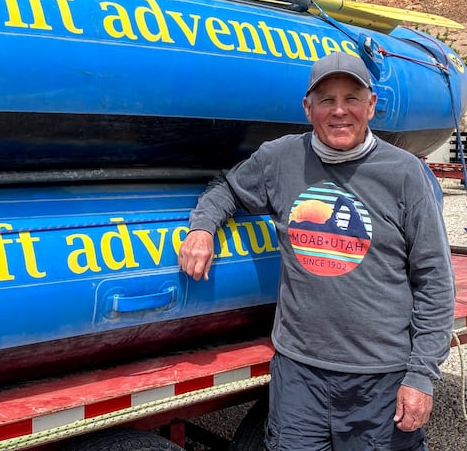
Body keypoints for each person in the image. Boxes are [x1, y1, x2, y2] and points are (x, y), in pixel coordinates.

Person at [178, 51, 455, 450]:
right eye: (326, 99)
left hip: (379, 378)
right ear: (308, 108)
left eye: (352, 98)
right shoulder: (281, 158)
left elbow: (433, 281)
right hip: (299, 376)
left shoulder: (405, 173)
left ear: (371, 106)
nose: (339, 111)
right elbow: (227, 187)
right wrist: (202, 228)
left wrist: (421, 375)